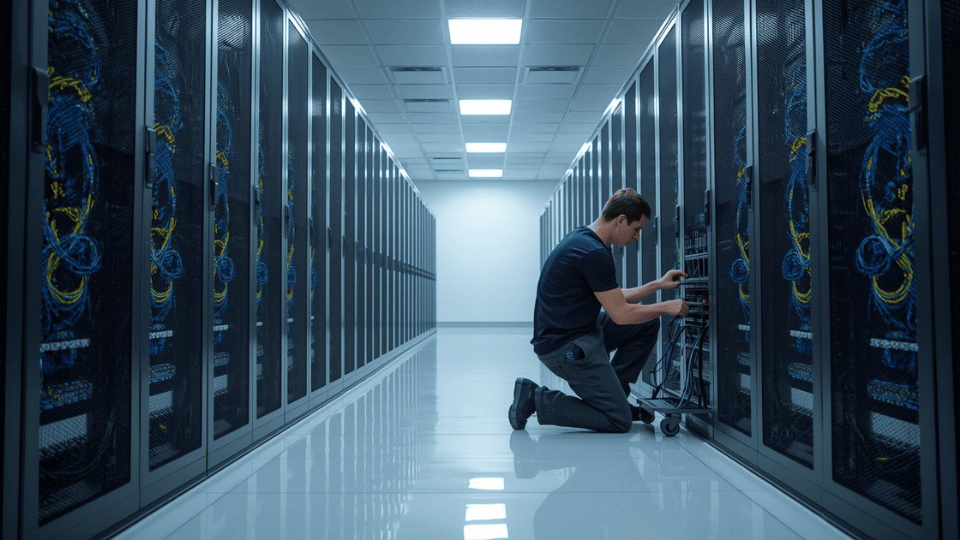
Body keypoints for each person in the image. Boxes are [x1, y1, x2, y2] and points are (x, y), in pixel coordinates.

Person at [510, 188, 689, 433]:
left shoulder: (584, 238)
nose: (637, 237)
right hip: (564, 346)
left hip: (577, 330)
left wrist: (657, 285)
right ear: (621, 220)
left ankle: (615, 392)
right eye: (636, 229)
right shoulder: (593, 253)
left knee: (646, 323)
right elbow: (621, 314)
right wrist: (666, 308)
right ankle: (536, 398)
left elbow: (613, 296)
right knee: (619, 420)